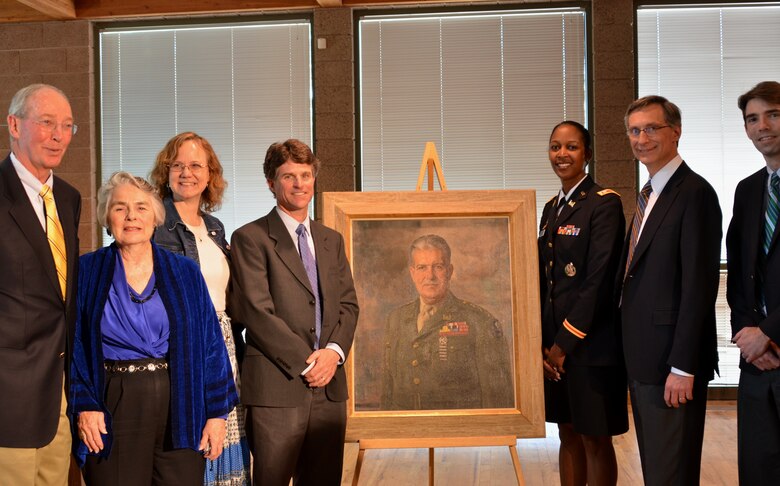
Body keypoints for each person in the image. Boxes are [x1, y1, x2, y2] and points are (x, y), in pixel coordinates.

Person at [69, 172, 239, 485]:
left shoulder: (184, 271)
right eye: (120, 208)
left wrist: (216, 414)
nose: (131, 216)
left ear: (155, 216)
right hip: (113, 401)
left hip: (181, 402)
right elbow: (75, 345)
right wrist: (85, 405)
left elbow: (210, 344)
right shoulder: (88, 271)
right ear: (107, 217)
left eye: (141, 208)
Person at [229, 139, 359, 485]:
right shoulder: (250, 238)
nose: (300, 184)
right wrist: (309, 362)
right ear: (271, 183)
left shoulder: (331, 240)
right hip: (277, 387)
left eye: (305, 175)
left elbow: (348, 304)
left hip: (330, 387)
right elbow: (256, 312)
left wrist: (332, 354)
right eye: (289, 176)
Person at [618, 95, 722, 486]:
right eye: (634, 130)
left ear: (676, 132)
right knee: (658, 471)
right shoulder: (650, 194)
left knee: (671, 474)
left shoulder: (694, 193)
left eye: (651, 128)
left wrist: (683, 365)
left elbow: (699, 286)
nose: (641, 138)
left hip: (671, 365)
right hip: (645, 358)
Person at [150, 131, 250, 485]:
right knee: (193, 450)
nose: (186, 172)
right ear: (166, 172)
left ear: (210, 175)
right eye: (177, 165)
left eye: (196, 165)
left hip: (224, 349)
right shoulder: (154, 224)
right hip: (183, 349)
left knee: (227, 448)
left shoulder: (215, 227)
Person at [538, 121, 627, 486]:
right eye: (556, 147)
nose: (562, 155)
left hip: (589, 347)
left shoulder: (604, 203)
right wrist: (544, 345)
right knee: (567, 433)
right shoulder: (550, 209)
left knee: (595, 437)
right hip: (554, 349)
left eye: (571, 147)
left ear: (587, 154)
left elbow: (599, 283)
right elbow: (547, 283)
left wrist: (563, 345)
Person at [0, 84, 81, 485]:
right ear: (14, 125)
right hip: (8, 395)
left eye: (67, 126)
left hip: (59, 394)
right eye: (47, 123)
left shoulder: (68, 198)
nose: (58, 135)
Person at [381, 234, 513, 410]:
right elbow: (388, 392)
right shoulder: (395, 320)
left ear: (449, 271)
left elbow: (497, 398)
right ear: (412, 273)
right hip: (406, 431)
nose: (430, 276)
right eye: (422, 267)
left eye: (438, 267)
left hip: (458, 431)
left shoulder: (480, 322)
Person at [728, 81, 780, 485]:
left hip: (774, 340)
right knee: (758, 470)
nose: (763, 126)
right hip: (758, 364)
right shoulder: (747, 191)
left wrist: (769, 332)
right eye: (752, 118)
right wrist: (749, 336)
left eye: (774, 114)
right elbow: (739, 276)